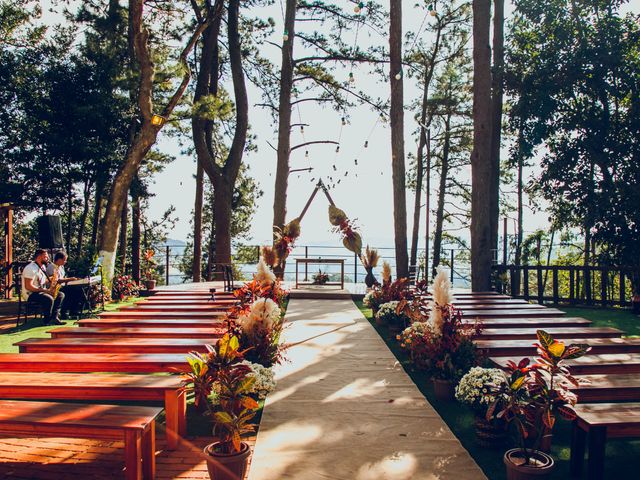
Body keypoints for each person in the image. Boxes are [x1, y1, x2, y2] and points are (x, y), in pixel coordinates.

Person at [21, 249, 65, 325]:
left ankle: (55, 317)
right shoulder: (30, 268)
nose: (47, 259)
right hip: (30, 294)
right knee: (48, 298)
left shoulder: (42, 267)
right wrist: (45, 291)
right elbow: (28, 286)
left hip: (40, 291)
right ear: (39, 257)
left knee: (60, 295)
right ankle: (47, 320)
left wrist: (53, 279)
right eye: (46, 257)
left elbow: (43, 281)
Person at [46, 251, 82, 318]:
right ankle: (64, 313)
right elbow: (56, 280)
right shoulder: (51, 267)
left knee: (77, 289)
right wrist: (69, 279)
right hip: (53, 288)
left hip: (62, 286)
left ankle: (73, 311)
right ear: (59, 260)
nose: (65, 262)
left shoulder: (61, 267)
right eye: (64, 260)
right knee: (69, 292)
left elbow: (63, 278)